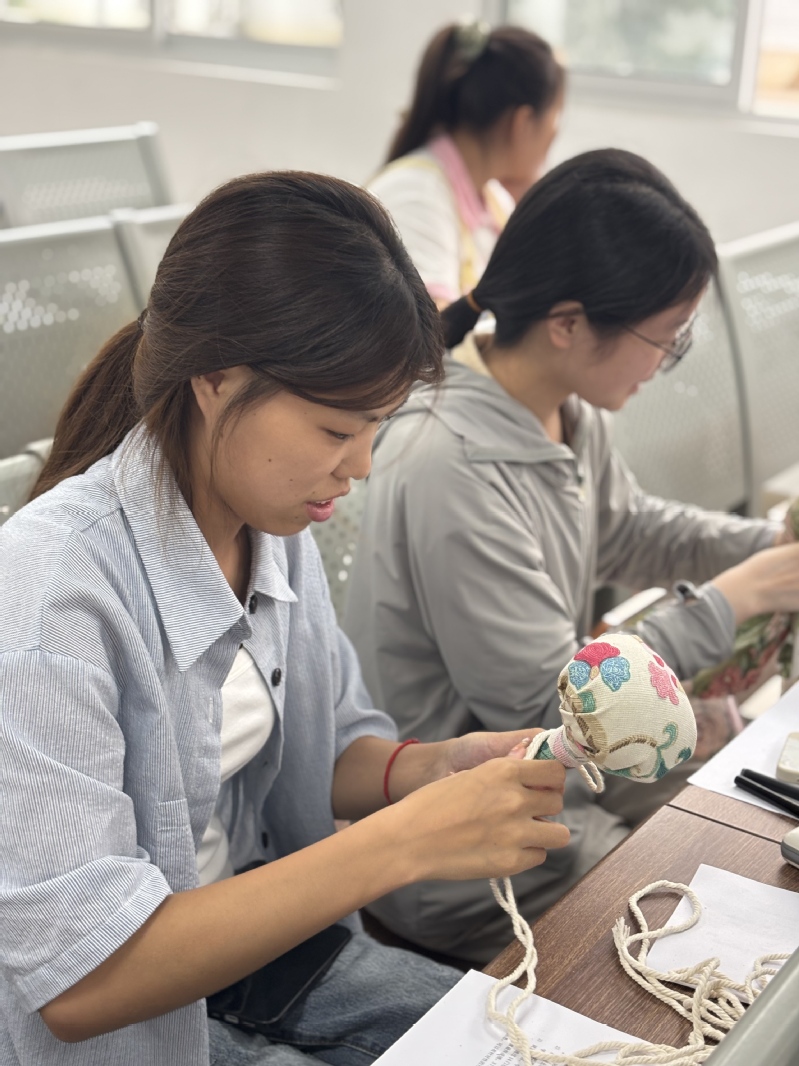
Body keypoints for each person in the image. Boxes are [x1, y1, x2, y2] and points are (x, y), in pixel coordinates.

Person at [0, 173, 571, 1066]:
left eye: (376, 426)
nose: (361, 465)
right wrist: (401, 845)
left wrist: (429, 770)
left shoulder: (269, 518)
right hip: (126, 1015)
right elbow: (85, 983)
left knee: (535, 1045)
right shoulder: (48, 598)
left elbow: (323, 751)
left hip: (249, 951)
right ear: (215, 379)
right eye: (337, 430)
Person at [344, 148, 799, 966]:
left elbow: (629, 530)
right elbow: (553, 700)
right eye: (662, 340)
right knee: (724, 921)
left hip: (562, 782)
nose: (663, 363)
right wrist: (732, 599)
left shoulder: (557, 406)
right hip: (470, 844)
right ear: (567, 324)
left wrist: (769, 549)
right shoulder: (448, 464)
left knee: (762, 841)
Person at [369, 20, 564, 307]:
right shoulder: (418, 196)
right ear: (522, 122)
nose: (556, 133)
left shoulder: (494, 199)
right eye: (556, 117)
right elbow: (432, 327)